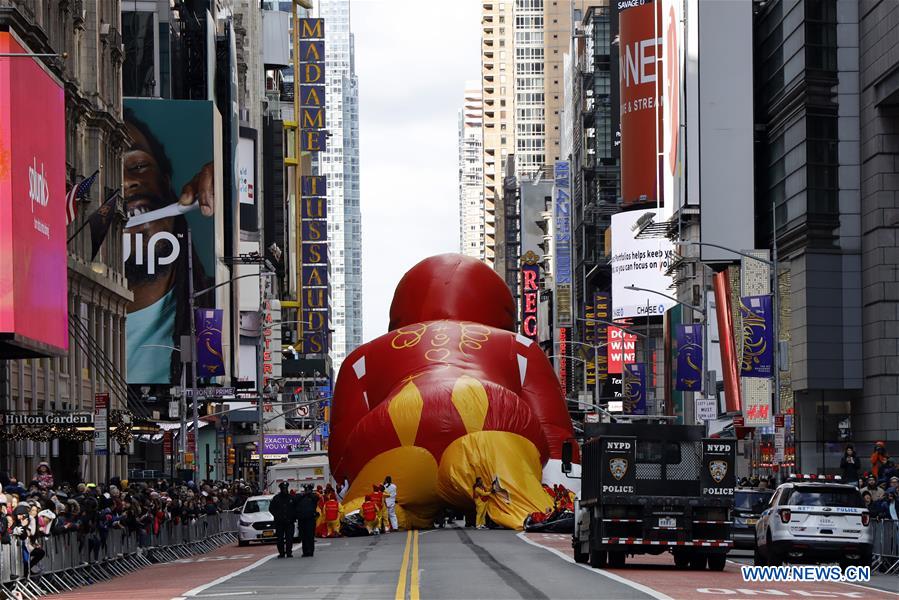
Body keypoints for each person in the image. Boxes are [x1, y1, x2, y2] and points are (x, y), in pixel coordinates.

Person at [122, 108, 215, 385]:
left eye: (137, 166)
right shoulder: (48, 311)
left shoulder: (209, 310)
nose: (125, 182)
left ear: (166, 182)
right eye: (105, 169)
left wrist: (229, 174)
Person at [269, 482, 295, 558]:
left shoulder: (291, 498)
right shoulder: (276, 498)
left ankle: (289, 552)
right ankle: (281, 553)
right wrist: (277, 516)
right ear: (280, 489)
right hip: (279, 523)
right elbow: (271, 509)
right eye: (283, 489)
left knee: (289, 538)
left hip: (289, 522)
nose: (284, 490)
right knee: (280, 539)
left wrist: (293, 516)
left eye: (286, 488)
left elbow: (295, 508)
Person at [294, 485, 318, 557]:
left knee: (310, 536)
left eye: (308, 490)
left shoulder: (313, 497)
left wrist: (309, 494)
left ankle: (310, 551)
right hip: (302, 520)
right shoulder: (301, 497)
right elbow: (295, 500)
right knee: (303, 537)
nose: (307, 491)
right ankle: (305, 551)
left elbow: (316, 499)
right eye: (306, 490)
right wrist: (303, 495)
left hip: (310, 520)